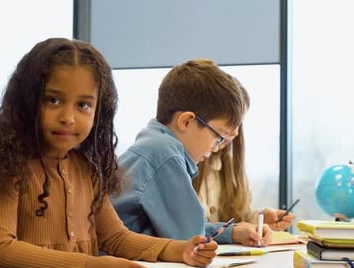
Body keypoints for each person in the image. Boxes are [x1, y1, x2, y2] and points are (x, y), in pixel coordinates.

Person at [0, 38, 217, 268]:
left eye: (83, 105)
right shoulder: (6, 166)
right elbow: (0, 250)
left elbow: (115, 238)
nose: (68, 117)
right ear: (27, 102)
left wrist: (179, 250)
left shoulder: (87, 169)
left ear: (98, 112)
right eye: (53, 100)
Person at [111, 59, 272, 247]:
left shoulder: (153, 143)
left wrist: (233, 232)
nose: (216, 148)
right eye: (218, 137)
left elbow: (185, 229)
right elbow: (192, 238)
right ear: (186, 121)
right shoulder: (165, 154)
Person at [193, 123, 296, 231]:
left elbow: (238, 215)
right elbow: (195, 228)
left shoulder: (231, 168)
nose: (235, 132)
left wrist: (259, 219)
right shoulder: (183, 167)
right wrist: (234, 232)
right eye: (231, 120)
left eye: (238, 122)